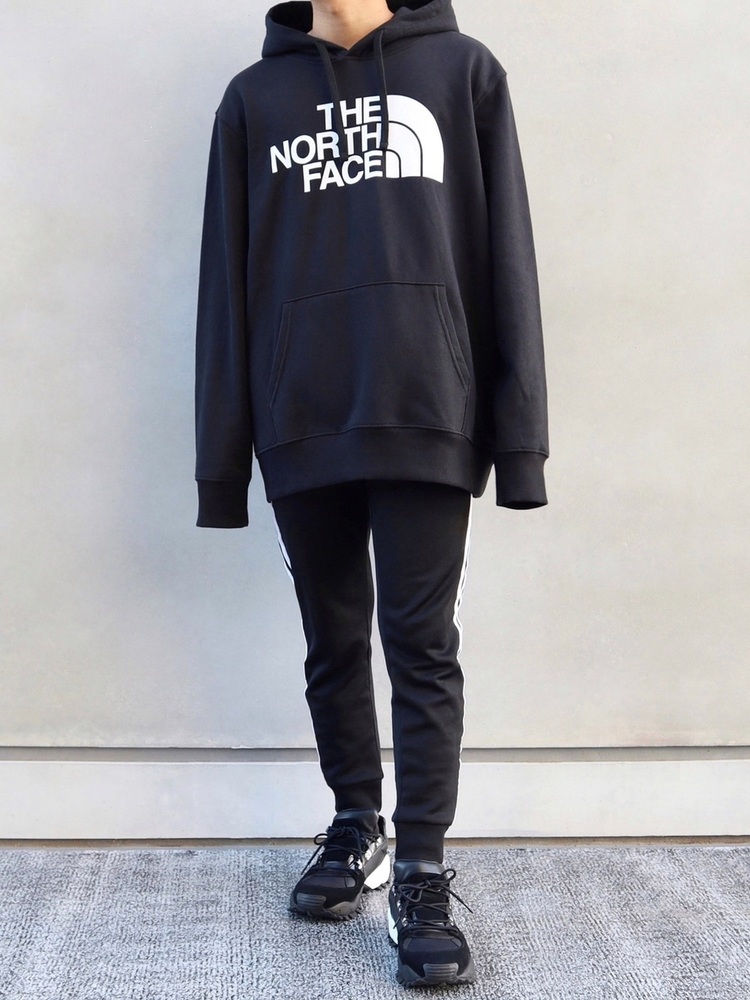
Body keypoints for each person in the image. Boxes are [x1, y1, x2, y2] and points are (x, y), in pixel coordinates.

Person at [194, 0, 549, 987]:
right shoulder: (254, 100)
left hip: (430, 406)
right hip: (301, 414)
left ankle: (423, 870)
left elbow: (507, 257)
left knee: (420, 644)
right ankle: (357, 826)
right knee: (333, 639)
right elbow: (225, 284)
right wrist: (222, 461)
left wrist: (520, 442)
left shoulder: (463, 73)